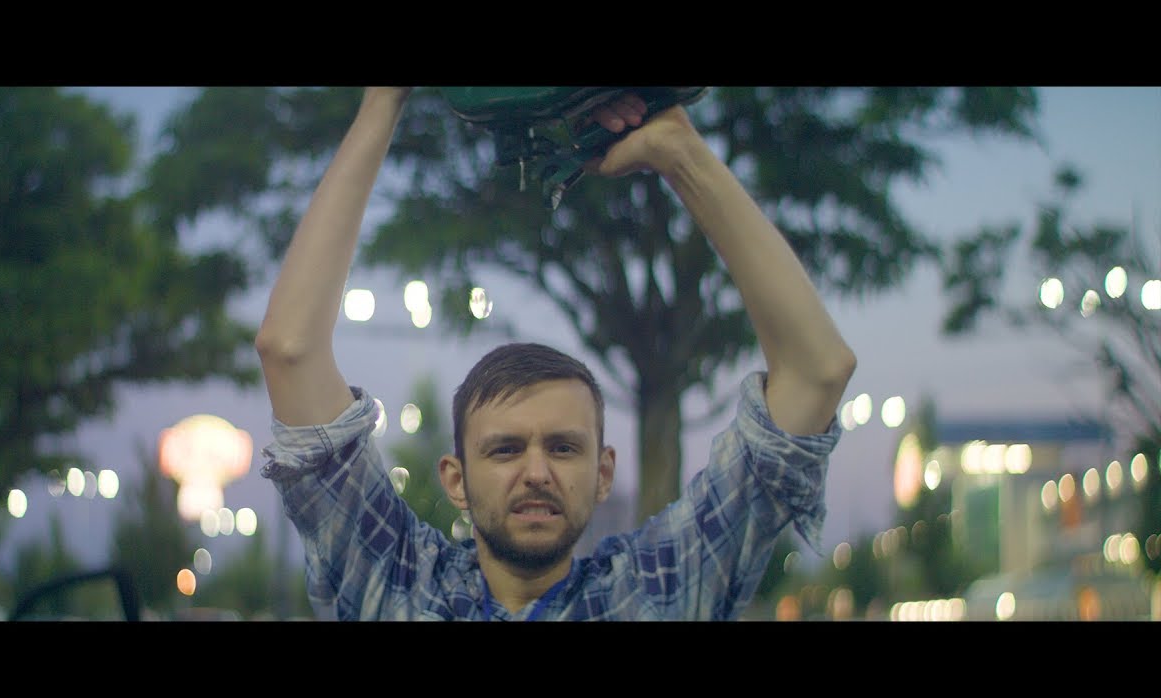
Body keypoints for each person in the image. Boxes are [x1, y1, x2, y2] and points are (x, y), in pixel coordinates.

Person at [255, 87, 856, 621]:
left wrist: (681, 152)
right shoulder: (398, 584)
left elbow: (818, 371)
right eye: (505, 449)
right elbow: (290, 350)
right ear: (455, 479)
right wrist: (384, 98)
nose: (538, 473)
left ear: (603, 473)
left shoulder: (658, 591)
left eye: (564, 447)